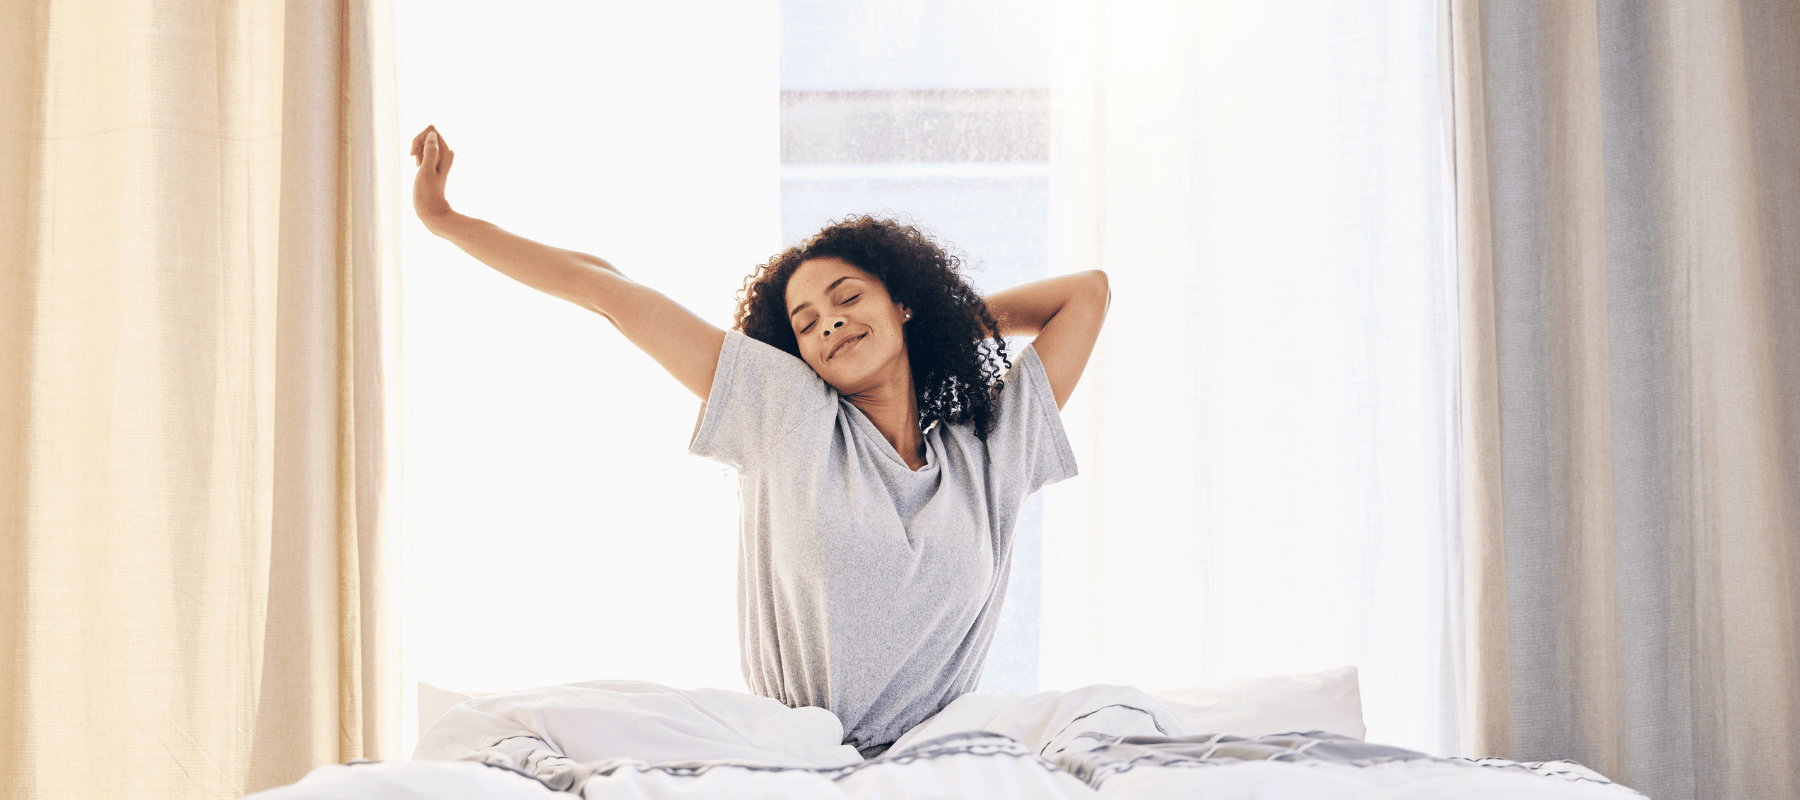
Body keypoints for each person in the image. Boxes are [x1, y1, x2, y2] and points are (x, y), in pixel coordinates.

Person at [409, 124, 1110, 758]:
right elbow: (611, 293)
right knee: (504, 727)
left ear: (901, 300)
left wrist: (935, 323)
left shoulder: (988, 451)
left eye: (847, 297)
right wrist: (446, 220)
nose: (828, 323)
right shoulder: (791, 412)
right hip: (793, 754)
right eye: (806, 323)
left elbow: (1087, 292)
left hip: (934, 760)